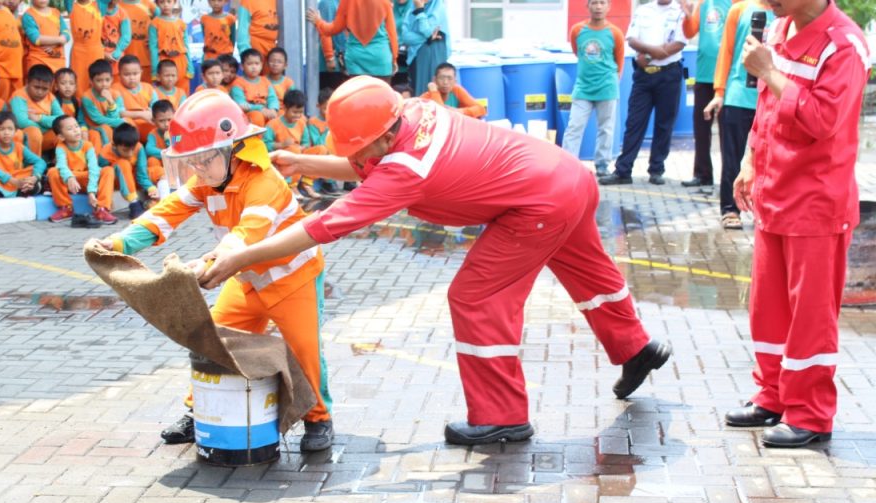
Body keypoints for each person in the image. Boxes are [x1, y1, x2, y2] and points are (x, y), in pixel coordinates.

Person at [199, 76, 672, 446]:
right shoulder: (414, 112)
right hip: (565, 176)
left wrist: (242, 256)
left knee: (476, 296)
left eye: (356, 147)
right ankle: (636, 347)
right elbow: (372, 163)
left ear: (383, 135)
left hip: (536, 206)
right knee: (588, 272)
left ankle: (502, 417)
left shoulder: (405, 170)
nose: (353, 155)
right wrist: (303, 162)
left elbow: (320, 227)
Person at [95, 89, 336, 451]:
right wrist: (119, 243)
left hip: (292, 279)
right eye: (191, 161)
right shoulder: (208, 179)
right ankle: (199, 411)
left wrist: (208, 264)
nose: (196, 168)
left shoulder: (265, 182)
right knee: (211, 341)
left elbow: (245, 236)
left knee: (305, 351)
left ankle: (319, 419)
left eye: (202, 159)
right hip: (246, 277)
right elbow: (167, 211)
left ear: (230, 149)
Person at [723, 0, 867, 448]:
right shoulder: (779, 29)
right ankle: (773, 396)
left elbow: (823, 120)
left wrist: (769, 71)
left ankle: (810, 414)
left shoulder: (844, 46)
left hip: (816, 203)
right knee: (768, 309)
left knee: (810, 317)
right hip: (773, 194)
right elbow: (767, 106)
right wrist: (749, 160)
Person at [702, 0, 773, 230]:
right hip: (738, 95)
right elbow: (726, 52)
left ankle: (766, 210)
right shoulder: (740, 9)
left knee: (770, 160)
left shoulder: (789, 13)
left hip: (772, 96)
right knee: (732, 158)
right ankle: (730, 209)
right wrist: (719, 92)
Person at [599, 0, 687, 186]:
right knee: (634, 122)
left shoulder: (680, 12)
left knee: (664, 124)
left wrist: (648, 55)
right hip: (643, 76)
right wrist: (654, 52)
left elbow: (679, 43)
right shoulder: (643, 10)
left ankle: (656, 169)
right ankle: (623, 171)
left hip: (669, 74)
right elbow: (632, 39)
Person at [563, 0, 624, 176]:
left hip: (607, 87)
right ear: (587, 6)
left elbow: (619, 61)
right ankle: (568, 164)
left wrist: (613, 81)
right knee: (574, 126)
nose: (598, 7)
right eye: (594, 3)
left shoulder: (615, 33)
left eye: (602, 3)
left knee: (606, 128)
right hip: (583, 88)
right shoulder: (577, 30)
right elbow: (578, 52)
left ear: (608, 7)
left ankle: (602, 164)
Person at [679, 0, 731, 189]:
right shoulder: (703, 4)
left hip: (727, 77)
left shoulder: (736, 3)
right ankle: (702, 174)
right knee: (700, 127)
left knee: (727, 130)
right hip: (703, 74)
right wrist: (687, 15)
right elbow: (689, 32)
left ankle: (729, 177)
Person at [47, 113, 117, 225]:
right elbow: (62, 165)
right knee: (53, 171)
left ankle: (101, 209)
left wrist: (91, 192)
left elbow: (93, 169)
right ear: (61, 137)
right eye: (70, 129)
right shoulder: (61, 147)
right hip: (71, 183)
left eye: (76, 126)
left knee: (108, 170)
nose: (76, 130)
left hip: (87, 179)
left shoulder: (87, 145)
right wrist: (69, 177)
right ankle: (66, 207)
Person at [308, 0, 398, 81]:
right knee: (382, 93)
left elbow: (333, 29)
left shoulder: (347, 2)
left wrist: (318, 21)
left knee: (357, 93)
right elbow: (392, 34)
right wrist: (394, 59)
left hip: (356, 59)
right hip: (380, 57)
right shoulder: (385, 2)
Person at [264, 88, 327, 199]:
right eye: (294, 112)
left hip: (298, 154)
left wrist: (302, 147)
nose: (297, 115)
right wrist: (281, 145)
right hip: (280, 161)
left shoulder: (301, 123)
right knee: (294, 150)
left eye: (300, 112)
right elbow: (265, 145)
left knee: (322, 149)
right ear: (284, 108)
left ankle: (307, 182)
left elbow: (306, 142)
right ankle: (292, 185)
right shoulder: (273, 124)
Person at [0, 110, 47, 197]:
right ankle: (18, 191)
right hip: (0, 178)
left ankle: (3, 191)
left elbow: (40, 162)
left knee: (33, 169)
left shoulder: (19, 147)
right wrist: (13, 181)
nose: (6, 133)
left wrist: (35, 177)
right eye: (1, 129)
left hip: (17, 177)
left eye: (10, 129)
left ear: (16, 131)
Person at [97, 121, 159, 218]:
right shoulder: (105, 153)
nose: (130, 154)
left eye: (132, 149)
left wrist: (150, 188)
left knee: (158, 171)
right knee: (123, 163)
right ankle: (134, 203)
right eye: (125, 150)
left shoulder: (139, 148)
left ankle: (161, 200)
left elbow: (142, 174)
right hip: (117, 182)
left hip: (134, 179)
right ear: (114, 145)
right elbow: (102, 175)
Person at [10, 63, 63, 155]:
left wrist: (40, 118)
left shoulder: (50, 97)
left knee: (65, 132)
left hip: (44, 137)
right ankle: (33, 162)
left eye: (45, 89)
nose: (40, 92)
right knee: (34, 132)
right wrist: (46, 126)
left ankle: (59, 161)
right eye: (36, 87)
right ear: (27, 82)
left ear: (51, 86)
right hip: (23, 138)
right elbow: (21, 122)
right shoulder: (19, 96)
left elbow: (62, 120)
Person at [398, 0, 448, 93]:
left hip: (433, 56)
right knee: (417, 93)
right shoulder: (411, 9)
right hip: (415, 58)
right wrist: (428, 38)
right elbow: (405, 37)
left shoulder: (438, 9)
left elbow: (427, 31)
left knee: (432, 91)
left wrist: (420, 11)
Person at [150, 0, 194, 93]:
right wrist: (155, 71)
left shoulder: (181, 23)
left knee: (182, 91)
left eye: (169, 2)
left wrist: (190, 67)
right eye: (162, 2)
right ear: (157, 4)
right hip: (164, 61)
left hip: (181, 62)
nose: (165, 5)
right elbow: (153, 48)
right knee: (164, 92)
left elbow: (186, 46)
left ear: (174, 2)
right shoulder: (154, 24)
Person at [81, 58, 125, 150]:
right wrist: (119, 122)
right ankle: (107, 153)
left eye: (107, 80)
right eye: (99, 80)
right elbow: (98, 119)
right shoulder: (87, 97)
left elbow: (115, 116)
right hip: (94, 125)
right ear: (91, 81)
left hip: (111, 122)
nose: (104, 84)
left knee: (129, 122)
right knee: (106, 128)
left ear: (112, 79)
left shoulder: (116, 94)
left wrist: (110, 102)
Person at [230, 48, 278, 126]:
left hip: (267, 111)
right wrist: (260, 109)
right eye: (250, 64)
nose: (254, 67)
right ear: (242, 66)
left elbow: (272, 98)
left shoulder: (265, 81)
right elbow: (241, 104)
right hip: (248, 115)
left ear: (261, 65)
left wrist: (273, 109)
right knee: (257, 117)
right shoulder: (237, 83)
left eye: (257, 64)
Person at [420, 62, 487, 118]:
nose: (445, 82)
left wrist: (460, 111)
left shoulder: (456, 90)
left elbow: (482, 109)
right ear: (434, 80)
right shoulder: (428, 96)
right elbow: (441, 114)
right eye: (441, 78)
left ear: (455, 81)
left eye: (450, 78)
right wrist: (434, 92)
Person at [21, 0, 69, 74]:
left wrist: (56, 43)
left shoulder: (56, 12)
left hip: (58, 59)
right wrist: (60, 40)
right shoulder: (28, 15)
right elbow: (36, 39)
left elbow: (66, 33)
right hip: (39, 61)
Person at [117, 54, 157, 140]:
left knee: (164, 126)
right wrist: (141, 114)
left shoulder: (148, 88)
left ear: (141, 72)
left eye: (135, 74)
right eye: (127, 74)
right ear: (119, 75)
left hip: (147, 122)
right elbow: (119, 113)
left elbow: (156, 107)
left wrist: (152, 111)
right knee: (125, 123)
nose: (132, 78)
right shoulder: (116, 90)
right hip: (129, 125)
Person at [67, 0, 101, 94]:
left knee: (97, 82)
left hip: (95, 52)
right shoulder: (71, 6)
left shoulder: (99, 5)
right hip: (78, 53)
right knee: (78, 84)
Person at [119, 0, 152, 82]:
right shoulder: (118, 5)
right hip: (123, 59)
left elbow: (161, 21)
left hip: (145, 58)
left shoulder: (148, 4)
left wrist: (156, 38)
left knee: (146, 88)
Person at [101, 0, 131, 78]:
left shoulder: (122, 13)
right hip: (99, 57)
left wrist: (116, 54)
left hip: (116, 58)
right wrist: (102, 53)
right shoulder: (96, 11)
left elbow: (126, 36)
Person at [145, 98, 171, 181]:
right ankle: (161, 181)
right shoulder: (153, 134)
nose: (166, 124)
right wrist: (165, 152)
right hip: (161, 164)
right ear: (154, 121)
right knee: (152, 160)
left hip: (173, 163)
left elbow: (176, 147)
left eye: (169, 120)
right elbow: (149, 149)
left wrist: (168, 140)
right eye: (161, 121)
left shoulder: (177, 133)